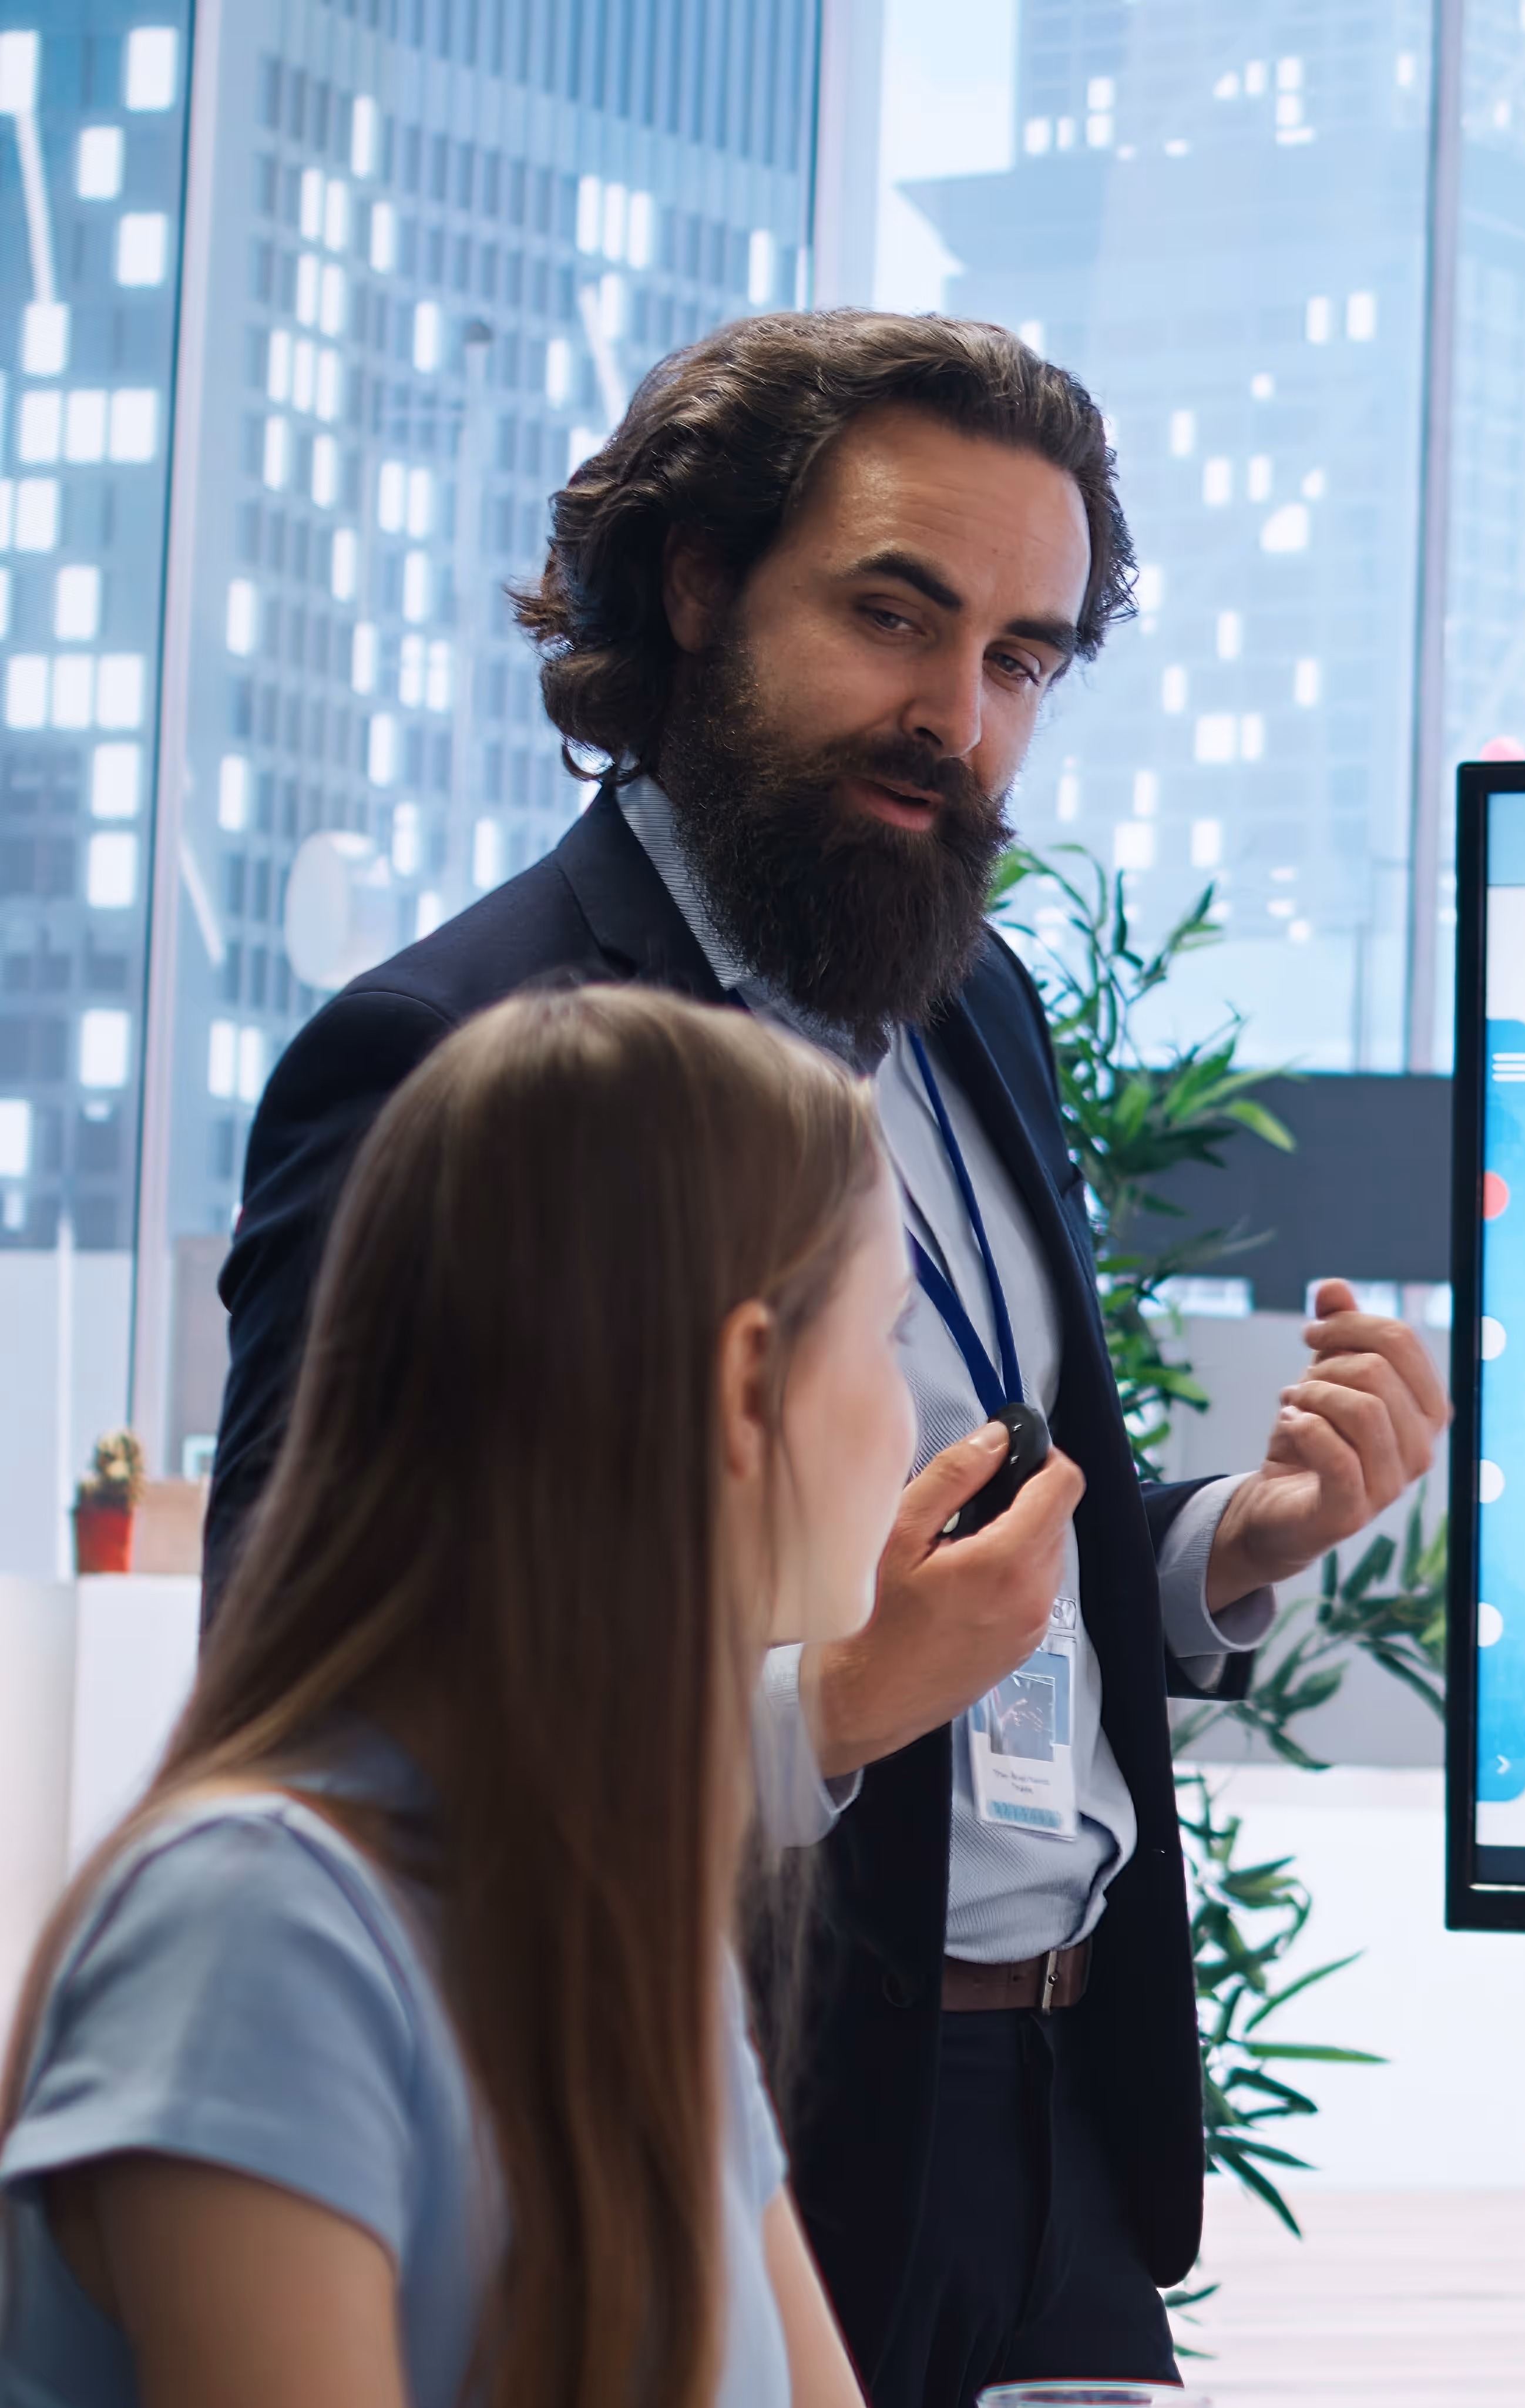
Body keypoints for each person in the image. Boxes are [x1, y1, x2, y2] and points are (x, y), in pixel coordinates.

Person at [201, 311, 1451, 2404]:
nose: (958, 714)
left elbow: (956, 1522)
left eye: (1026, 658)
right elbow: (306, 1680)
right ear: (694, 586)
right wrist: (833, 1707)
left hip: (1064, 2131)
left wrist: (1227, 1541)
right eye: (895, 612)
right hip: (711, 2133)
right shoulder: (457, 1057)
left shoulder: (978, 1006)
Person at [2, 985, 911, 2406]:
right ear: (747, 1387)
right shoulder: (261, 1936)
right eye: (890, 1337)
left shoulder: (618, 1933)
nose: (916, 1415)